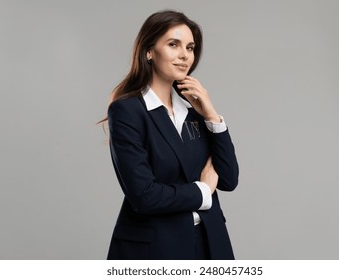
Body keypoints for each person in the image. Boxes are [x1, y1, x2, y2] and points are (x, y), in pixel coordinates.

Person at [102, 10, 239, 260]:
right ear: (149, 51)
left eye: (190, 47)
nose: (184, 55)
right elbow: (144, 196)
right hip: (156, 249)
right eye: (173, 44)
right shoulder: (127, 111)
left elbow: (229, 179)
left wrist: (212, 115)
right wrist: (203, 191)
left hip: (209, 244)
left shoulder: (194, 110)